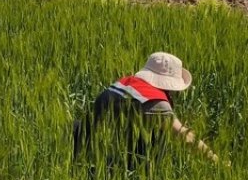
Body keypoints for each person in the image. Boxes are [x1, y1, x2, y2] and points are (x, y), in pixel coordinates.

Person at [74, 51, 221, 169]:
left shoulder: (125, 82)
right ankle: (140, 176)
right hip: (108, 164)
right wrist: (216, 161)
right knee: (161, 134)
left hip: (83, 147)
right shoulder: (155, 101)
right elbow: (185, 137)